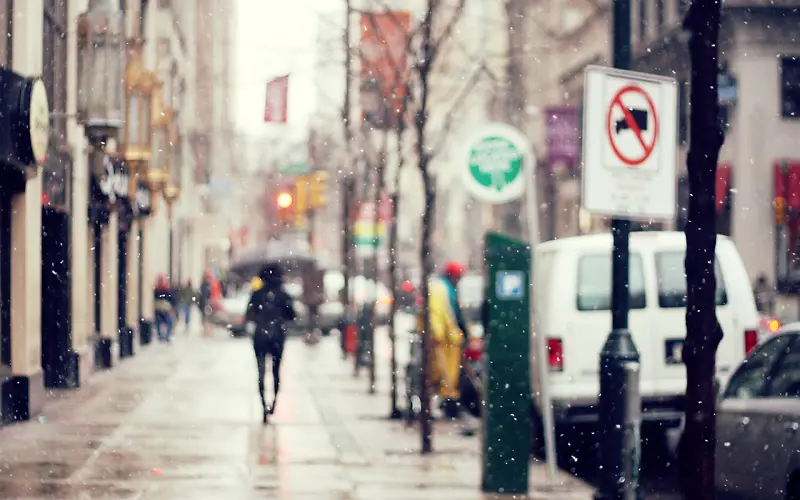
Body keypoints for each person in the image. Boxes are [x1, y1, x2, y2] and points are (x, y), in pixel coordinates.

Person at [245, 263, 296, 424]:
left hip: (260, 336)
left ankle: (263, 406)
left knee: (261, 372)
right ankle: (273, 403)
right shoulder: (283, 294)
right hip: (277, 337)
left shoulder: (257, 294)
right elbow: (291, 315)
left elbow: (249, 314)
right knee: (276, 371)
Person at [423, 260, 468, 419]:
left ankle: (446, 403)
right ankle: (444, 404)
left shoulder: (444, 287)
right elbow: (438, 312)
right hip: (443, 341)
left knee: (445, 375)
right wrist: (438, 334)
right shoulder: (441, 288)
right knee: (442, 374)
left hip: (447, 339)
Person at [154, 274, 176, 343]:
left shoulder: (156, 289)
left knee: (159, 323)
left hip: (158, 308)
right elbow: (171, 299)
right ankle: (166, 336)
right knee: (169, 323)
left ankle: (161, 336)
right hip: (165, 308)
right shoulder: (166, 289)